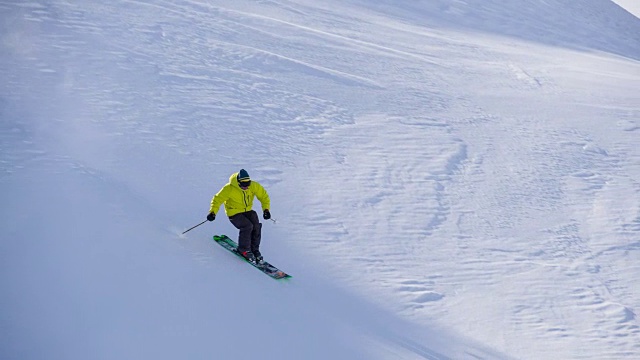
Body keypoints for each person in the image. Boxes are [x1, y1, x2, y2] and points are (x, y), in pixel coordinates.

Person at [207, 169, 271, 264]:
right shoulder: (229, 188)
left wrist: (266, 210)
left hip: (247, 210)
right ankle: (243, 250)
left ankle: (254, 250)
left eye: (247, 184)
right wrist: (213, 212)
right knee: (247, 226)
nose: (246, 187)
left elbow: (263, 196)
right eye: (243, 185)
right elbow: (217, 199)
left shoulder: (253, 186)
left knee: (256, 225)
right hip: (234, 213)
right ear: (238, 182)